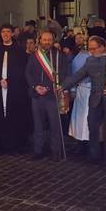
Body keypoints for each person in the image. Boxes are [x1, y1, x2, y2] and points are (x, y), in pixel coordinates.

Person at [62, 36, 106, 166]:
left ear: (102, 47)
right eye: (89, 48)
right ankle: (94, 155)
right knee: (92, 126)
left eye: (93, 48)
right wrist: (62, 86)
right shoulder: (90, 60)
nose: (91, 51)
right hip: (96, 99)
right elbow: (78, 75)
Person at [25, 30, 70, 161]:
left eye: (49, 40)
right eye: (44, 40)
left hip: (52, 96)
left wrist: (49, 88)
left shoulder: (59, 55)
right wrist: (35, 87)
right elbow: (28, 73)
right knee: (38, 125)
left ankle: (55, 152)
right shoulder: (35, 56)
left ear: (53, 40)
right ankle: (38, 151)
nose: (47, 42)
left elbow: (63, 74)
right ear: (40, 40)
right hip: (37, 96)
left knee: (54, 125)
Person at [0, 24, 30, 154]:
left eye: (8, 31)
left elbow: (22, 71)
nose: (5, 34)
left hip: (14, 89)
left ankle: (14, 146)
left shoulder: (19, 50)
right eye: (3, 32)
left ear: (12, 34)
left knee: (14, 117)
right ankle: (1, 146)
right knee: (0, 116)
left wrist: (10, 82)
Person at [67, 44, 91, 148]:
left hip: (92, 90)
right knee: (80, 118)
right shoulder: (80, 57)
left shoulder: (98, 56)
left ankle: (88, 141)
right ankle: (80, 142)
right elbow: (74, 74)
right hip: (82, 89)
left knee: (88, 118)